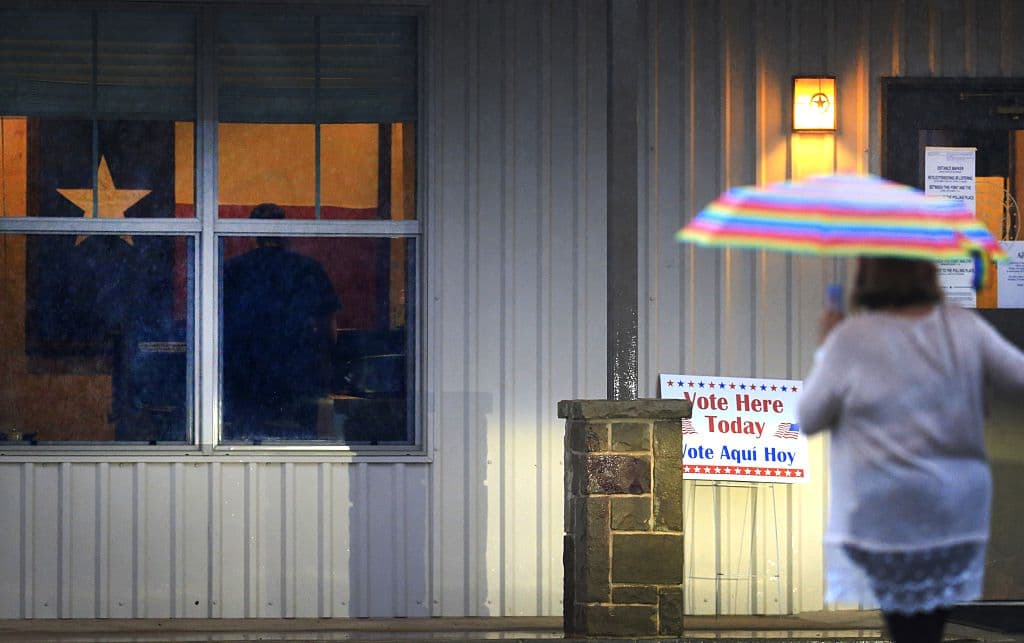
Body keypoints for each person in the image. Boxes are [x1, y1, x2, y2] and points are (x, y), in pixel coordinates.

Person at [798, 257, 1024, 643]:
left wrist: (827, 347)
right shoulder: (963, 328)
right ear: (928, 277)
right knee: (928, 624)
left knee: (906, 627)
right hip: (955, 511)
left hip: (889, 510)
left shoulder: (854, 338)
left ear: (869, 281)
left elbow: (809, 416)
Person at [222, 203, 340, 440]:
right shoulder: (308, 269)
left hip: (245, 377)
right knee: (301, 450)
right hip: (298, 375)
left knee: (244, 446)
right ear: (284, 232)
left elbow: (216, 325)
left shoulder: (233, 271)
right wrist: (326, 367)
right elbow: (328, 327)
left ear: (251, 234)